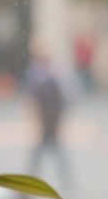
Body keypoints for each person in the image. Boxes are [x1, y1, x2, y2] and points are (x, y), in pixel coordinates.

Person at [23, 49, 72, 190]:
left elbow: (57, 102)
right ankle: (32, 178)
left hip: (50, 121)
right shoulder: (43, 76)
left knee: (45, 153)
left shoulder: (47, 77)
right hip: (49, 121)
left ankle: (30, 179)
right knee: (48, 153)